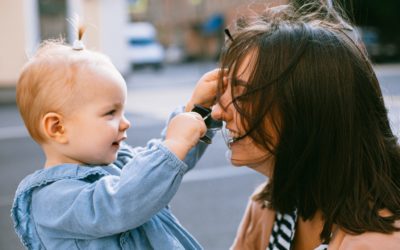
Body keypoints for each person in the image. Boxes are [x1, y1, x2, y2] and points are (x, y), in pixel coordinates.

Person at [209, 2, 400, 250]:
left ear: (306, 111)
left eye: (243, 95)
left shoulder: (379, 244)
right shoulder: (268, 207)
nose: (216, 111)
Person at [11, 26, 219, 249]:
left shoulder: (118, 162)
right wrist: (175, 143)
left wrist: (198, 111)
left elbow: (160, 166)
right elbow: (123, 201)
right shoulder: (52, 200)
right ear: (58, 128)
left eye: (122, 112)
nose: (125, 122)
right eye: (110, 113)